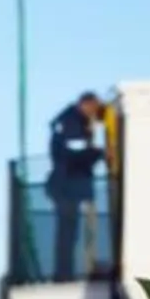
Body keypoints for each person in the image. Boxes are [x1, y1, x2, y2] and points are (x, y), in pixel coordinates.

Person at [44, 88, 108, 282]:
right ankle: (64, 275)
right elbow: (75, 155)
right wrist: (99, 153)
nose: (95, 114)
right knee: (67, 233)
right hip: (65, 186)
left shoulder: (73, 121)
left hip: (70, 185)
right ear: (86, 104)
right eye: (94, 109)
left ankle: (66, 273)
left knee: (70, 233)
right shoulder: (70, 122)